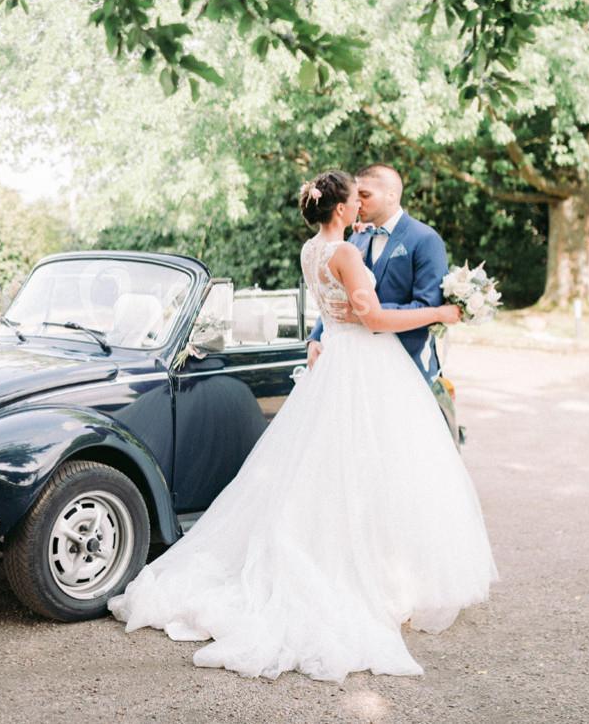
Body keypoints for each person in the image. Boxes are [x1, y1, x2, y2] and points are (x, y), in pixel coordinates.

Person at [106, 170, 498, 682]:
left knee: (339, 469)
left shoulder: (312, 250)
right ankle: (369, 577)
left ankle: (385, 571)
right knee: (373, 466)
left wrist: (336, 329)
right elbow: (375, 319)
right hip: (364, 365)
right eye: (352, 200)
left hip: (337, 361)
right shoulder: (348, 253)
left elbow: (340, 311)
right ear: (340, 210)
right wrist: (445, 311)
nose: (358, 206)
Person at [307, 164, 448, 386]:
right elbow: (339, 293)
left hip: (409, 364)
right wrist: (315, 337)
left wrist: (367, 315)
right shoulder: (356, 239)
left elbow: (427, 305)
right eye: (356, 195)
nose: (358, 202)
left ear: (391, 196)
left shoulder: (425, 239)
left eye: (365, 195)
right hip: (360, 368)